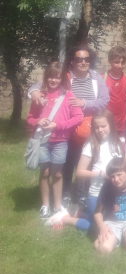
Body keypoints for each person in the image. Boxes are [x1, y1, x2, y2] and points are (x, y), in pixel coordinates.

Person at [30, 46, 110, 200]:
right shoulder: (66, 75)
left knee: (87, 160)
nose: (83, 62)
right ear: (72, 61)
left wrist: (84, 103)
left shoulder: (96, 78)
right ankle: (65, 194)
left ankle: (82, 194)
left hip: (89, 127)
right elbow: (42, 83)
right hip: (67, 127)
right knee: (67, 161)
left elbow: (104, 100)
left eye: (86, 59)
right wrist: (33, 91)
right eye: (79, 59)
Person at [27, 62, 83, 220]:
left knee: (57, 174)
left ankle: (57, 205)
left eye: (57, 77)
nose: (53, 80)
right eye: (50, 77)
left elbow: (78, 117)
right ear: (46, 77)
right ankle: (45, 205)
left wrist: (58, 125)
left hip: (60, 141)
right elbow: (30, 118)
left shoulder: (68, 96)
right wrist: (38, 121)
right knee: (45, 172)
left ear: (62, 79)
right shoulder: (40, 96)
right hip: (43, 141)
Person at [68, 110, 124, 231]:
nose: (100, 130)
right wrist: (100, 174)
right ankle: (67, 219)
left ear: (111, 125)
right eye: (97, 127)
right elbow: (79, 172)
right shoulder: (91, 145)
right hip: (97, 193)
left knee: (115, 222)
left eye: (103, 126)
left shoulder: (118, 144)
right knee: (95, 228)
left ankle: (83, 213)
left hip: (114, 193)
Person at [104, 46, 126, 137]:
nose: (120, 66)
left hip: (122, 126)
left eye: (123, 62)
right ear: (110, 61)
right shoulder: (102, 79)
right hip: (106, 125)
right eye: (116, 62)